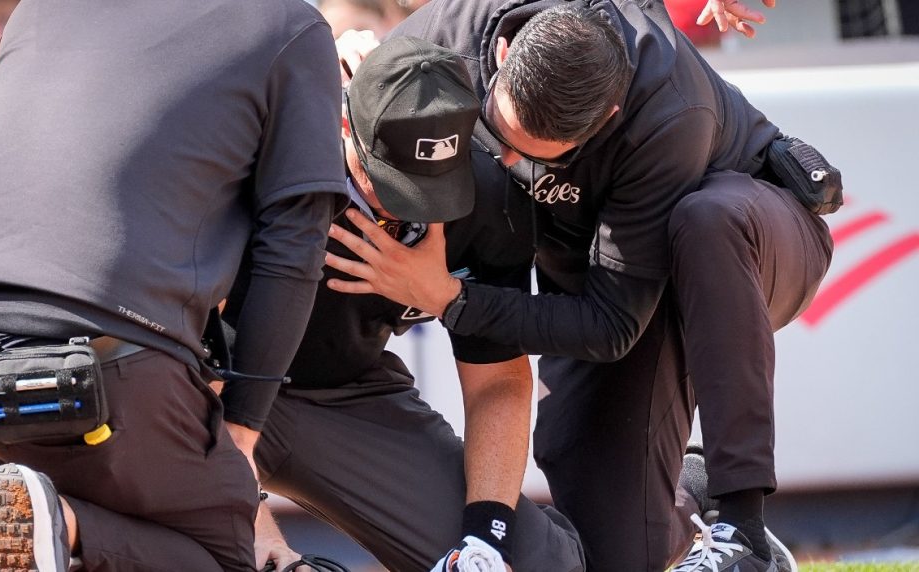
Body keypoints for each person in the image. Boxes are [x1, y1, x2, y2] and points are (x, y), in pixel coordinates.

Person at [326, 1, 833, 571]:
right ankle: (696, 497)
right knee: (605, 551)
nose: (507, 160)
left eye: (532, 156)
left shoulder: (665, 115)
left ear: (607, 116)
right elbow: (365, 101)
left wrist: (449, 298)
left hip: (750, 242)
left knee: (706, 221)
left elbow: (612, 326)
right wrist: (344, 71)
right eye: (500, 135)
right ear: (502, 53)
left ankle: (744, 534)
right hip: (604, 274)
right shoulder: (450, 38)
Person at [0, 0, 347, 570]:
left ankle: (57, 526)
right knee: (231, 553)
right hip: (98, 361)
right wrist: (242, 429)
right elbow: (293, 249)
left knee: (98, 516)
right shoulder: (291, 25)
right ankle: (68, 526)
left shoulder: (38, 6)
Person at [224, 36, 586, 572]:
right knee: (211, 541)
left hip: (344, 395)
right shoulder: (264, 157)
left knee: (541, 564)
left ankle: (679, 504)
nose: (403, 206)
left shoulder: (489, 197)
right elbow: (178, 339)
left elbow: (497, 379)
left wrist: (485, 539)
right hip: (211, 388)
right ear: (345, 122)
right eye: (386, 182)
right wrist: (251, 524)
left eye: (429, 187)